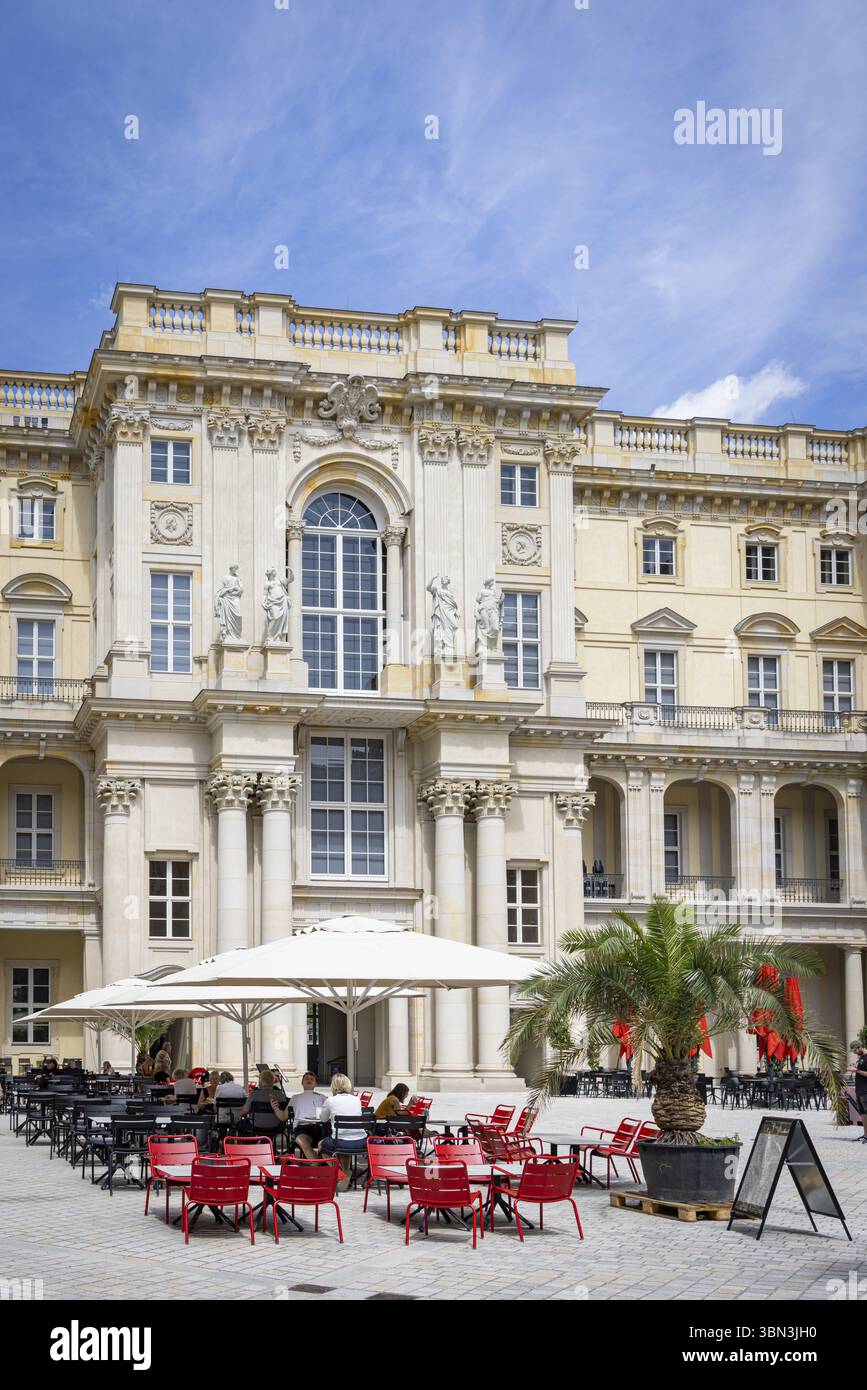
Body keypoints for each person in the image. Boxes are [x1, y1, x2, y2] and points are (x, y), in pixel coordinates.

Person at [317, 1074, 365, 1191]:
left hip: (341, 1141)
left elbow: (323, 1119)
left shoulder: (330, 1100)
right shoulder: (356, 1100)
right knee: (344, 1146)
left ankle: (343, 1173)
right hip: (360, 1142)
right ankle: (346, 1172)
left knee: (322, 1145)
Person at [239, 1069, 289, 1140]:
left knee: (241, 1124)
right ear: (273, 1081)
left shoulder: (254, 1094)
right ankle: (270, 1144)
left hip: (256, 1126)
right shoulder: (281, 1094)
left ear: (260, 1081)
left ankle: (250, 1146)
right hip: (276, 1126)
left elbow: (242, 1112)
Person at [289, 1071, 326, 1159]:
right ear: (302, 1082)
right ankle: (317, 1166)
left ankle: (319, 1165)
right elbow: (283, 1116)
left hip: (319, 1127)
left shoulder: (323, 1097)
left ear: (316, 1083)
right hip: (301, 1128)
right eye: (306, 1079)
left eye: (312, 1079)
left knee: (325, 1145)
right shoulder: (295, 1097)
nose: (309, 1080)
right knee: (304, 1143)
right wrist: (275, 1108)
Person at [849, 1045, 867, 1143]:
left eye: (855, 1050)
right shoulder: (861, 1058)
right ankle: (865, 1135)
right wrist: (856, 1067)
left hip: (865, 1090)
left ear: (860, 1047)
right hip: (859, 1090)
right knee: (863, 1113)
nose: (854, 1053)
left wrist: (856, 1070)